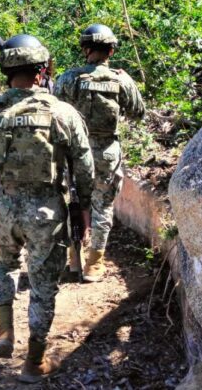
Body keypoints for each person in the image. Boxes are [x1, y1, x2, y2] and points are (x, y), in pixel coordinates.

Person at [0, 34, 93, 383]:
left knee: (5, 265)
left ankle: (4, 328)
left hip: (5, 209)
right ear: (42, 72)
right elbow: (84, 169)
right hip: (46, 212)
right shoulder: (63, 113)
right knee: (42, 286)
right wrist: (85, 209)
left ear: (6, 70)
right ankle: (34, 361)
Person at [54, 24, 146, 283]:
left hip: (75, 152)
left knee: (73, 203)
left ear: (85, 49)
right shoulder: (121, 79)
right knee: (102, 205)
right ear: (112, 50)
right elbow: (138, 112)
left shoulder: (69, 78)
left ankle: (74, 259)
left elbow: (54, 111)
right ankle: (95, 264)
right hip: (107, 152)